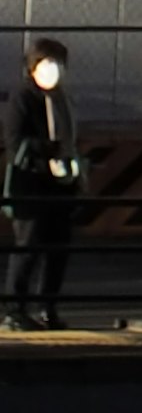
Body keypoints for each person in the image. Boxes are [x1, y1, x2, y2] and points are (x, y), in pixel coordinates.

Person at [6, 38, 84, 331]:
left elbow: (72, 138)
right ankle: (15, 309)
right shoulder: (23, 98)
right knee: (28, 246)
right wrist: (46, 149)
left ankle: (48, 307)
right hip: (32, 183)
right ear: (33, 66)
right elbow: (14, 144)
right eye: (49, 63)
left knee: (58, 248)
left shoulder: (63, 99)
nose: (56, 70)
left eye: (60, 64)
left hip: (62, 181)